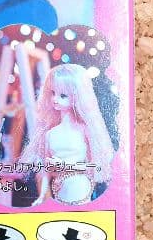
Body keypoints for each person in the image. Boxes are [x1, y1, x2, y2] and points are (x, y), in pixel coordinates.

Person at [20, 63, 114, 205]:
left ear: (77, 97)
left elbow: (94, 166)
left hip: (80, 187)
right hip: (59, 189)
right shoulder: (50, 133)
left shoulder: (84, 129)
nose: (55, 99)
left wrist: (64, 165)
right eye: (53, 93)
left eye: (63, 95)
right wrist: (42, 196)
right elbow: (45, 169)